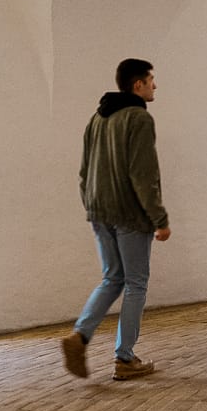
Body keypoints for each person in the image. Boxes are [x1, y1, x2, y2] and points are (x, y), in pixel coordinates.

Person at [60, 58, 171, 382]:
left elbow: (83, 172)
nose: (155, 86)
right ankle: (125, 358)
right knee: (136, 283)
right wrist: (159, 219)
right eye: (151, 80)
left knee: (112, 278)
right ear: (137, 85)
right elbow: (143, 174)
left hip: (99, 211)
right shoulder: (138, 119)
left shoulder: (97, 118)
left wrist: (91, 205)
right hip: (129, 215)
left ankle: (80, 335)